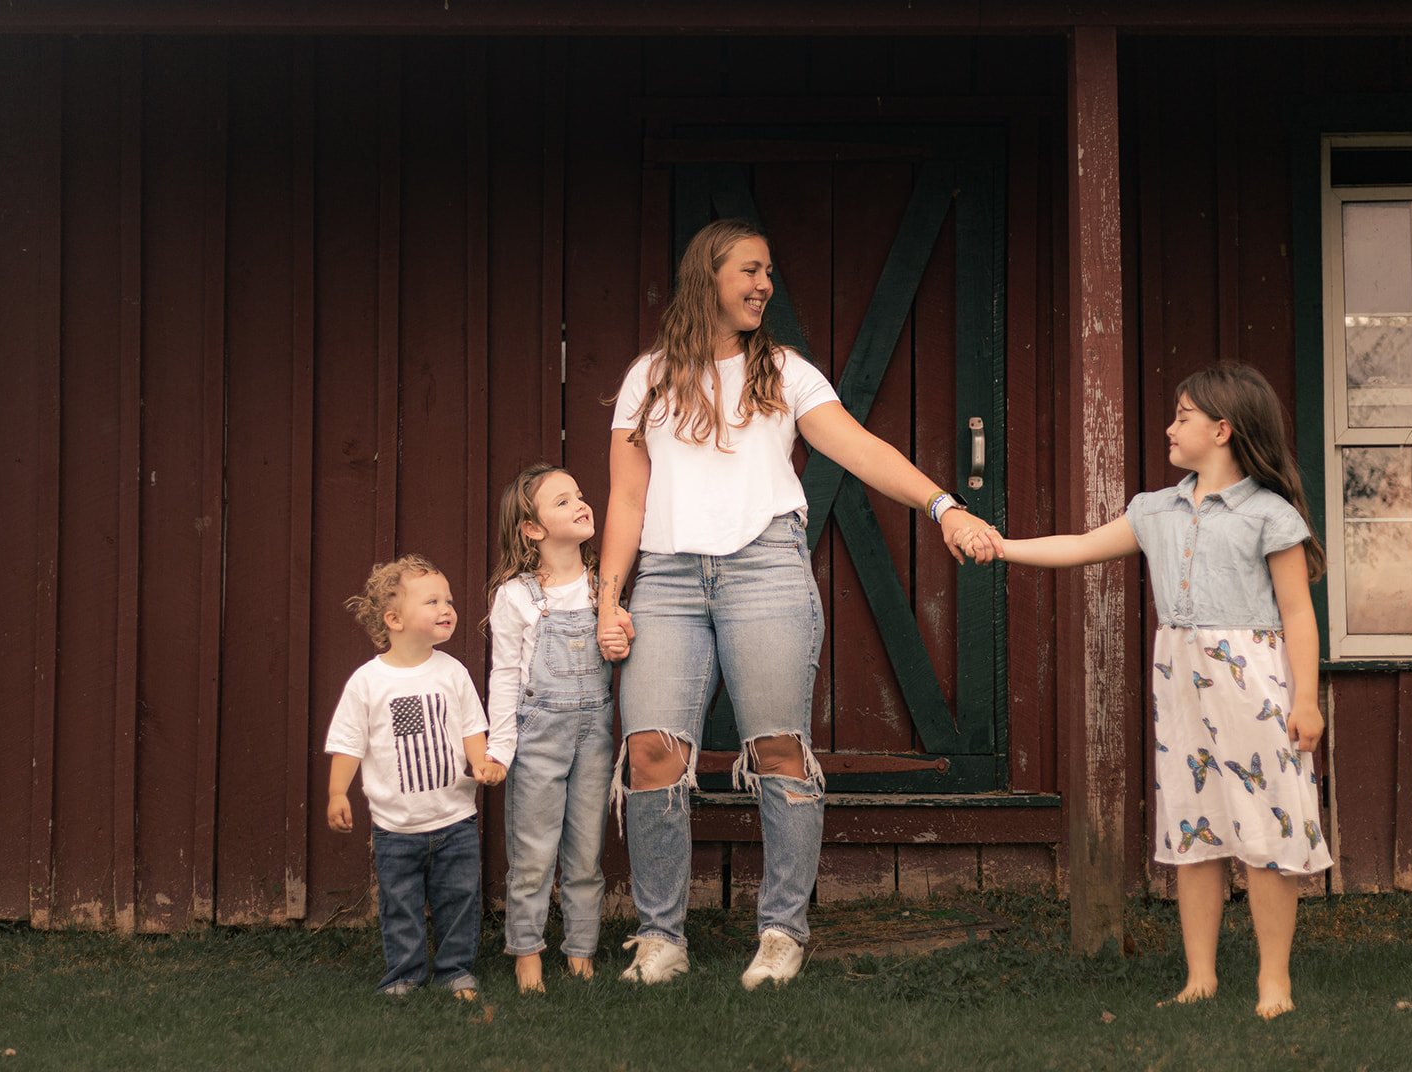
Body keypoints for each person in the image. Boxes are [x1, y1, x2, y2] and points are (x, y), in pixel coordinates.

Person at [597, 217, 998, 990]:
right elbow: (626, 497)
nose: (764, 286)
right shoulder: (647, 377)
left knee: (777, 750)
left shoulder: (785, 372)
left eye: (770, 274)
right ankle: (660, 938)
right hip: (669, 579)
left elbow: (860, 449)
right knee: (650, 753)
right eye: (750, 270)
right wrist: (609, 596)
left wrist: (944, 505)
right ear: (707, 276)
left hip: (764, 570)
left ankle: (782, 932)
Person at [969, 363, 1331, 1019]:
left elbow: (1298, 614)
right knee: (1196, 829)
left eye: (1183, 416)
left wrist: (1305, 700)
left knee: (1267, 832)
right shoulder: (1155, 511)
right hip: (1183, 680)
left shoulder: (1268, 514)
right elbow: (1078, 546)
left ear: (1222, 430)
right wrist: (1002, 546)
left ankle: (1274, 981)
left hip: (1253, 682)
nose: (1170, 426)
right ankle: (1200, 978)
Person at [324, 555, 505, 999]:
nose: (447, 607)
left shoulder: (452, 672)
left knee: (459, 901)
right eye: (432, 601)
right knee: (400, 906)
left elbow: (470, 727)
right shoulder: (368, 682)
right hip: (395, 828)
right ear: (394, 619)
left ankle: (455, 970)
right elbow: (349, 742)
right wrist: (336, 793)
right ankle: (403, 975)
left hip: (454, 819)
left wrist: (481, 762)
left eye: (448, 599)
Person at [484, 463, 632, 994]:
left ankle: (581, 952)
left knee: (585, 855)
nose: (581, 504)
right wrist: (501, 747)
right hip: (538, 738)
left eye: (580, 494)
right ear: (533, 530)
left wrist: (619, 641)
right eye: (563, 501)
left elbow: (618, 652)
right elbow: (504, 675)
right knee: (532, 854)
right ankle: (527, 952)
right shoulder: (517, 597)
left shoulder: (602, 589)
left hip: (594, 736)